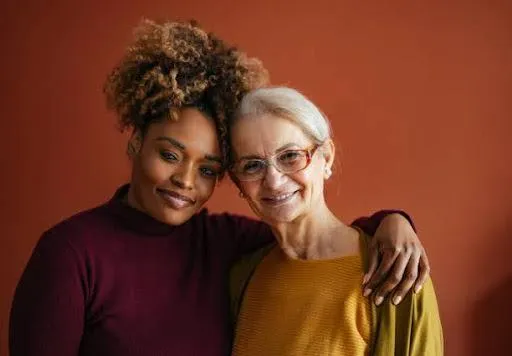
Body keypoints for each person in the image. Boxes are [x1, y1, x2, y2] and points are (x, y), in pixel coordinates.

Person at [10, 20, 430, 356]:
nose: (186, 181)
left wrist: (391, 223)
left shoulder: (224, 244)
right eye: (170, 155)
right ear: (136, 141)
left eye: (209, 169)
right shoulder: (70, 253)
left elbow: (313, 237)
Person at [229, 87, 443, 355]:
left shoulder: (396, 273)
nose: (273, 180)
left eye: (290, 156)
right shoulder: (243, 275)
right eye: (252, 165)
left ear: (326, 157)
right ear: (238, 181)